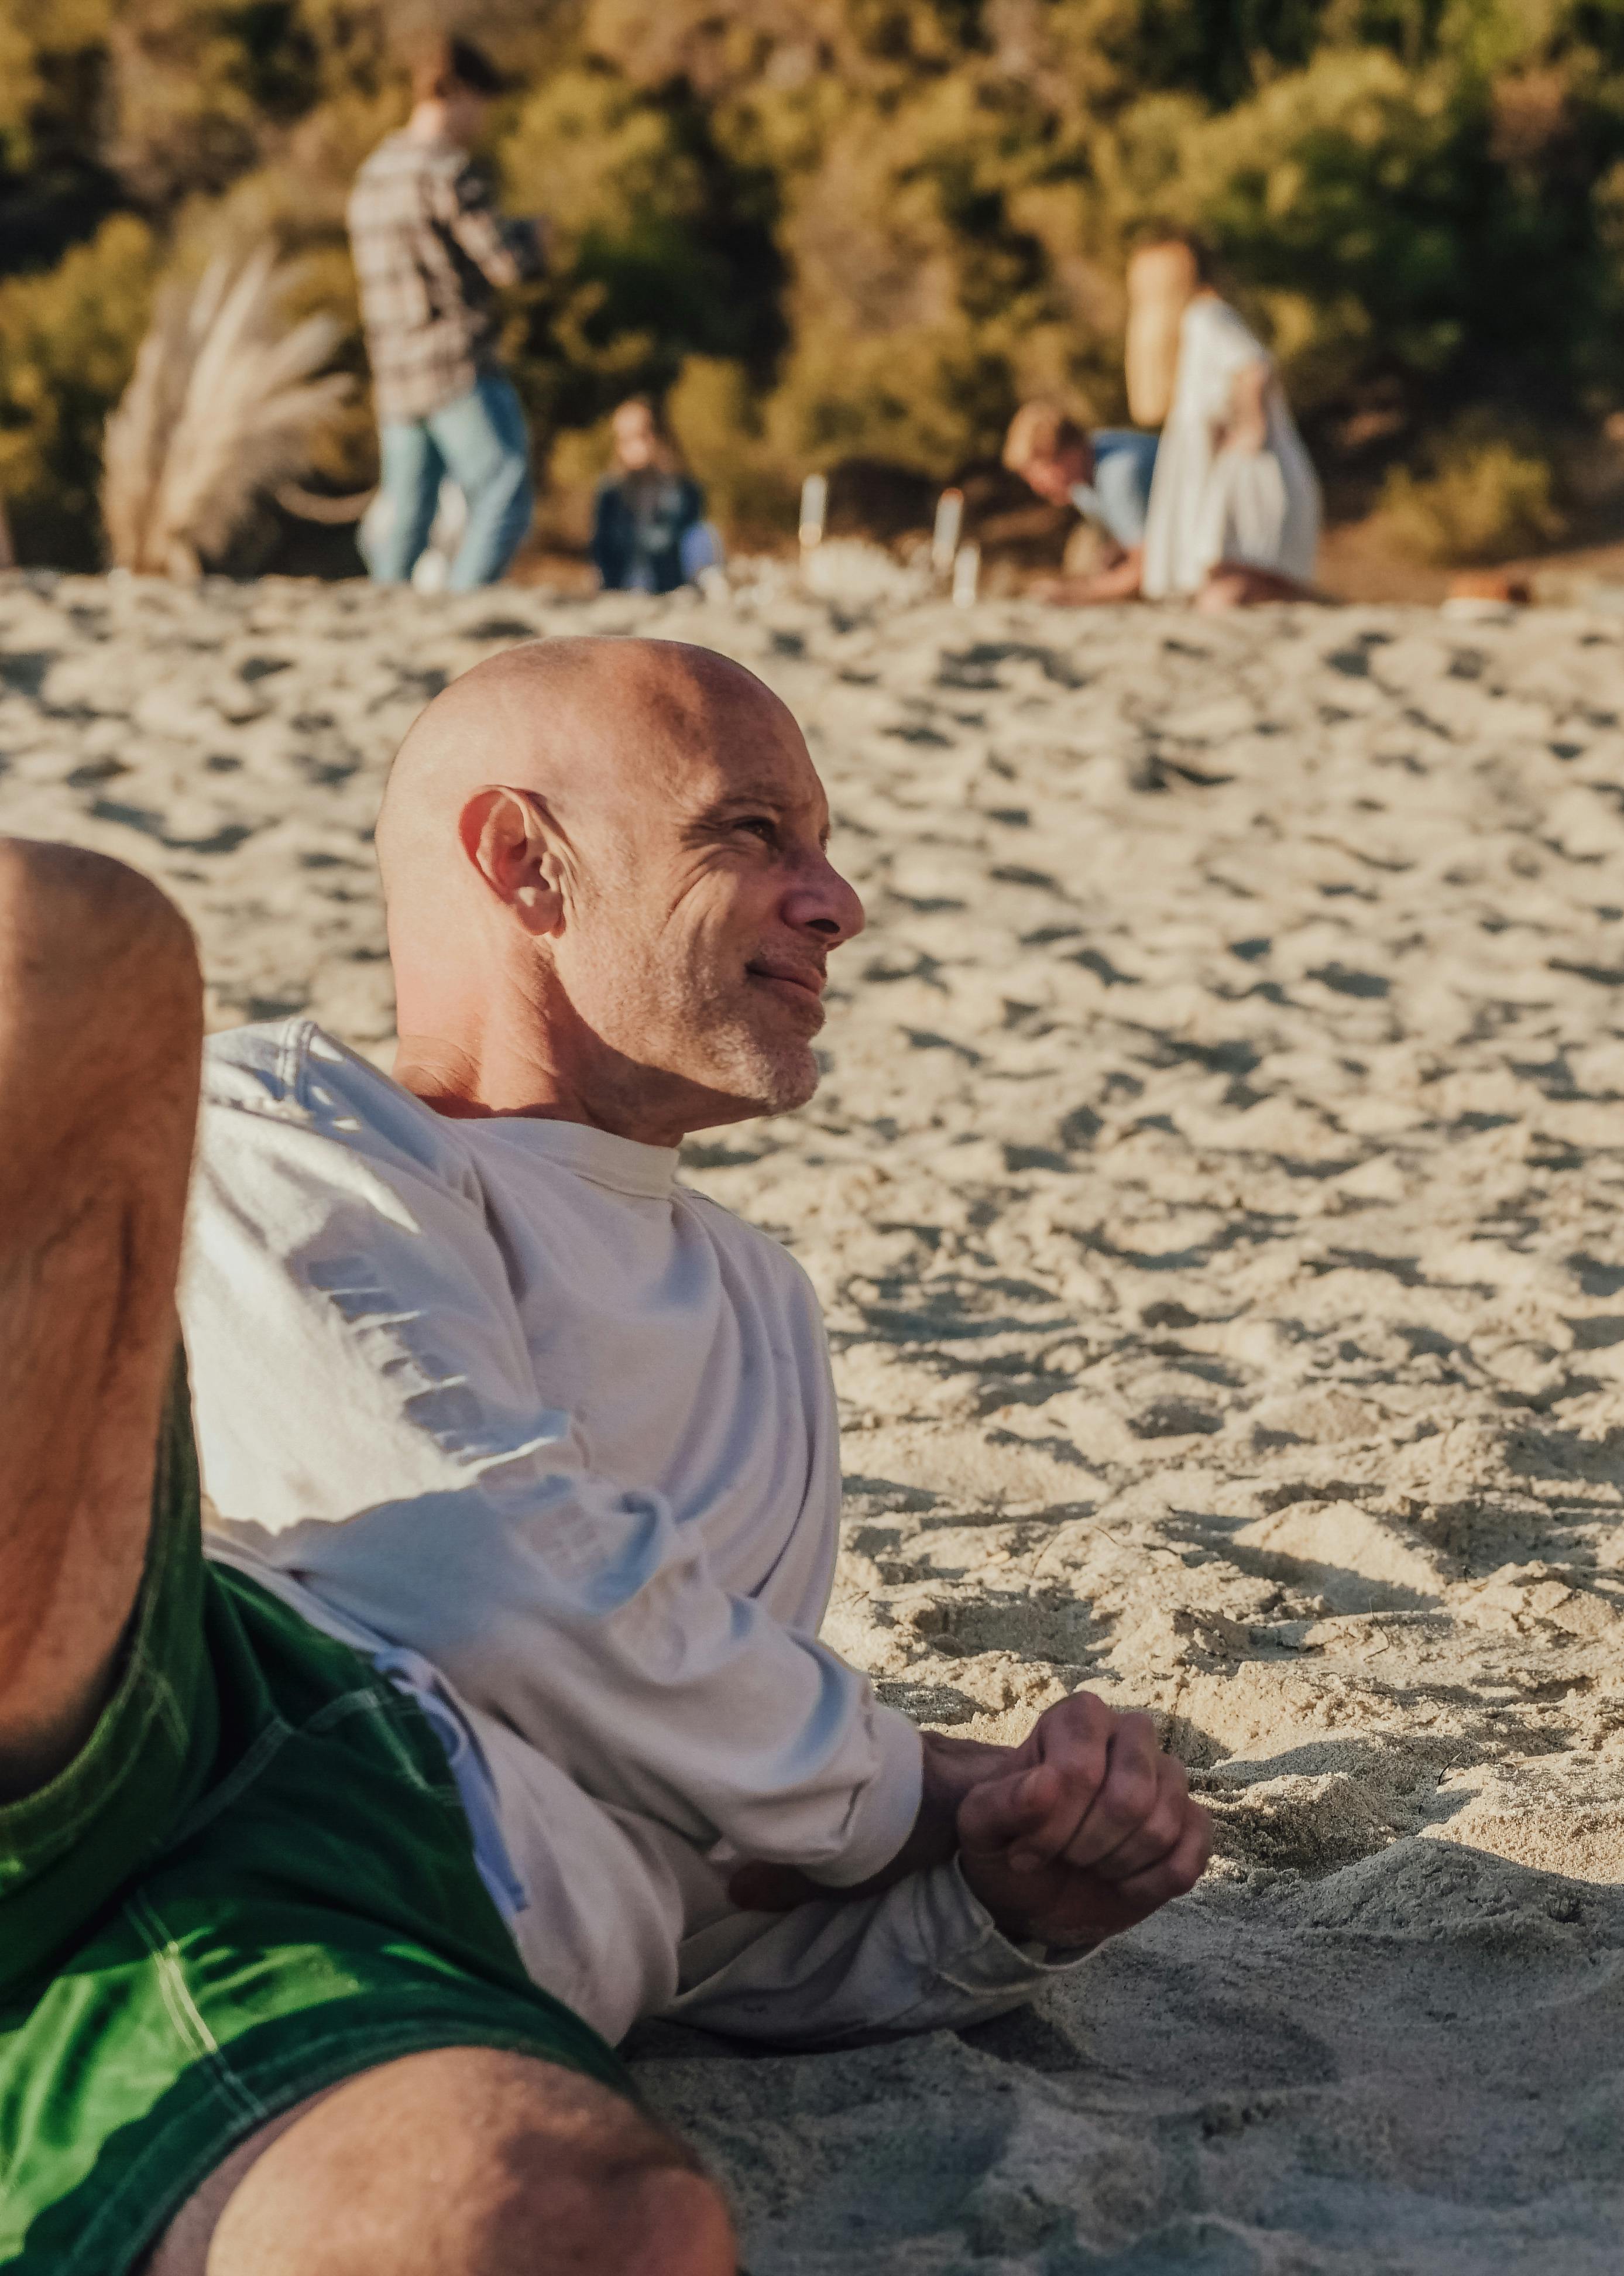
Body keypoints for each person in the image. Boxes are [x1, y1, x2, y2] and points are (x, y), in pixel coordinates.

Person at [0, 640, 1209, 2275]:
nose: (837, 900)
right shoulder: (300, 1127)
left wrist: (994, 1904)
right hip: (174, 1721)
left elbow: (717, 1879)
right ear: (524, 861)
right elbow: (477, 1561)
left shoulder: (760, 1314)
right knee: (65, 949)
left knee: (582, 2224)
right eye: (752, 834)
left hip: (393, 1946)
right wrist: (911, 1782)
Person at [346, 36, 547, 592]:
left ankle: (385, 613)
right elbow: (506, 264)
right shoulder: (449, 171)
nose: (482, 119)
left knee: (409, 515)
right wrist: (536, 239)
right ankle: (462, 606)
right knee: (505, 489)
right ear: (455, 91)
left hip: (393, 373)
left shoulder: (372, 175)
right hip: (456, 364)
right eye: (481, 103)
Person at [1128, 237, 1321, 610]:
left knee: (1230, 582)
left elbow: (1252, 366)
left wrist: (1251, 428)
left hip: (1249, 476)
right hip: (1246, 471)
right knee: (1249, 586)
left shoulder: (1204, 316)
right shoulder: (1203, 320)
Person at [1003, 402, 1157, 604]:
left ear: (1069, 454)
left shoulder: (1119, 475)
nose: (1038, 489)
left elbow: (1149, 570)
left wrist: (1077, 593)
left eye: (1040, 474)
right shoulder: (1086, 471)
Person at [588, 395, 715, 593]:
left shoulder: (683, 490)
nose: (632, 446)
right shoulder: (611, 493)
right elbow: (602, 550)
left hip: (671, 586)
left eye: (640, 435)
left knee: (704, 535)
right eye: (624, 438)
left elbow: (675, 538)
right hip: (623, 587)